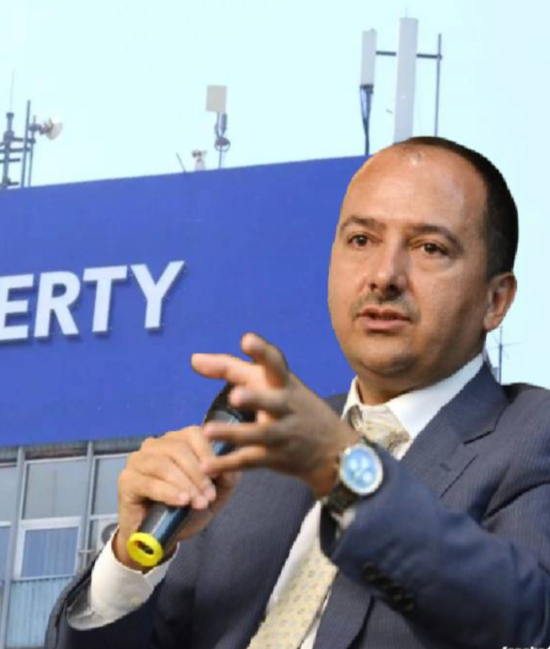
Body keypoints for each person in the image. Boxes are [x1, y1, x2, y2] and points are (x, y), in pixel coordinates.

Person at [44, 136, 550, 649]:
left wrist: (345, 471)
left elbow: (524, 617)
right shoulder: (254, 459)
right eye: (361, 240)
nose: (383, 276)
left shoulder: (533, 437)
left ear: (495, 300)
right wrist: (129, 564)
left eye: (429, 248)